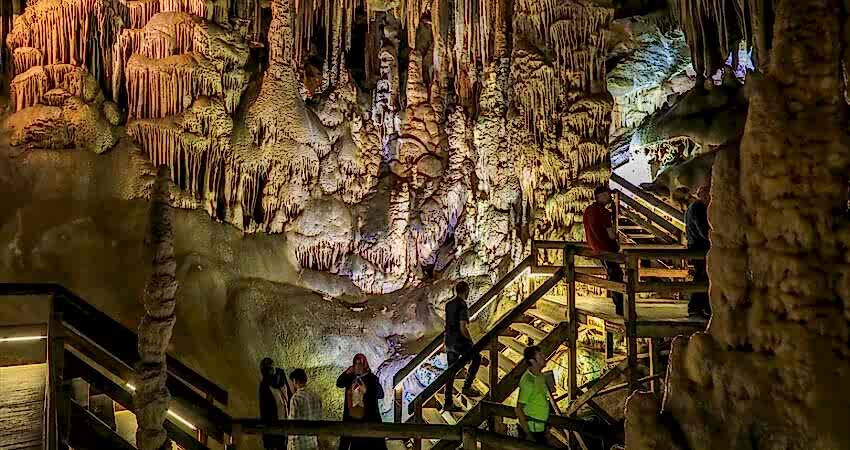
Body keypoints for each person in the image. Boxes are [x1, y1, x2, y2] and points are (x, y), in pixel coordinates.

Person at [443, 280, 483, 412]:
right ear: (466, 291)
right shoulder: (462, 305)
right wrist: (471, 342)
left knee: (451, 372)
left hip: (448, 341)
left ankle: (448, 402)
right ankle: (467, 387)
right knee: (477, 358)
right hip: (459, 342)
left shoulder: (449, 304)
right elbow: (463, 327)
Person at [583, 185, 624, 315]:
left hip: (595, 247)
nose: (610, 197)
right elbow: (610, 234)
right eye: (607, 194)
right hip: (605, 248)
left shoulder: (588, 210)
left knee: (613, 274)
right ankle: (620, 307)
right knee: (616, 276)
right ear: (599, 196)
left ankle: (618, 304)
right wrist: (616, 239)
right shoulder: (603, 212)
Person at [336, 354, 388, 450]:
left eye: (360, 363)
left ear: (365, 365)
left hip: (369, 417)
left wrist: (366, 391)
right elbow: (339, 384)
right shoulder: (350, 377)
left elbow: (381, 394)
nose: (358, 366)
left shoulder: (371, 378)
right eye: (356, 363)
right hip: (352, 416)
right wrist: (346, 372)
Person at [515, 346, 552, 445]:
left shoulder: (540, 376)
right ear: (532, 360)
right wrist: (528, 435)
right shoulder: (528, 382)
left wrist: (546, 428)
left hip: (541, 428)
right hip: (532, 430)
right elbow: (518, 409)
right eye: (540, 355)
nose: (544, 357)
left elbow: (543, 401)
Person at [686, 184, 711, 318]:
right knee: (702, 277)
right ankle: (697, 307)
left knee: (702, 277)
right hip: (699, 247)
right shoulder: (698, 208)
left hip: (695, 246)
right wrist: (713, 238)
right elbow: (702, 229)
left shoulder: (694, 207)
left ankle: (699, 307)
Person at [259, 357, 292, 450]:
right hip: (276, 426)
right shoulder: (266, 385)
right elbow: (264, 411)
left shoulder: (278, 378)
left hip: (282, 425)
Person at [288, 369, 322, 450]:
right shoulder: (316, 395)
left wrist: (290, 443)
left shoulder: (296, 398)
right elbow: (319, 419)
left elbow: (292, 423)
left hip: (300, 443)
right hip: (312, 441)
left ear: (295, 381)